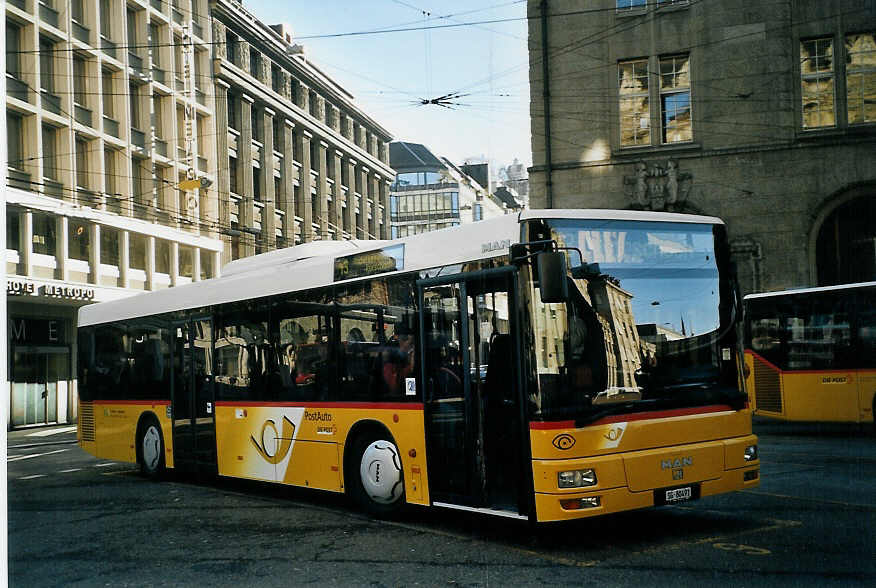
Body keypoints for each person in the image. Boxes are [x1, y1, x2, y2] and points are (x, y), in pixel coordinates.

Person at [382, 323, 415, 395]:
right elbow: (410, 391)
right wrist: (410, 369)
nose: (412, 347)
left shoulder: (406, 360)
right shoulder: (390, 366)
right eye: (411, 343)